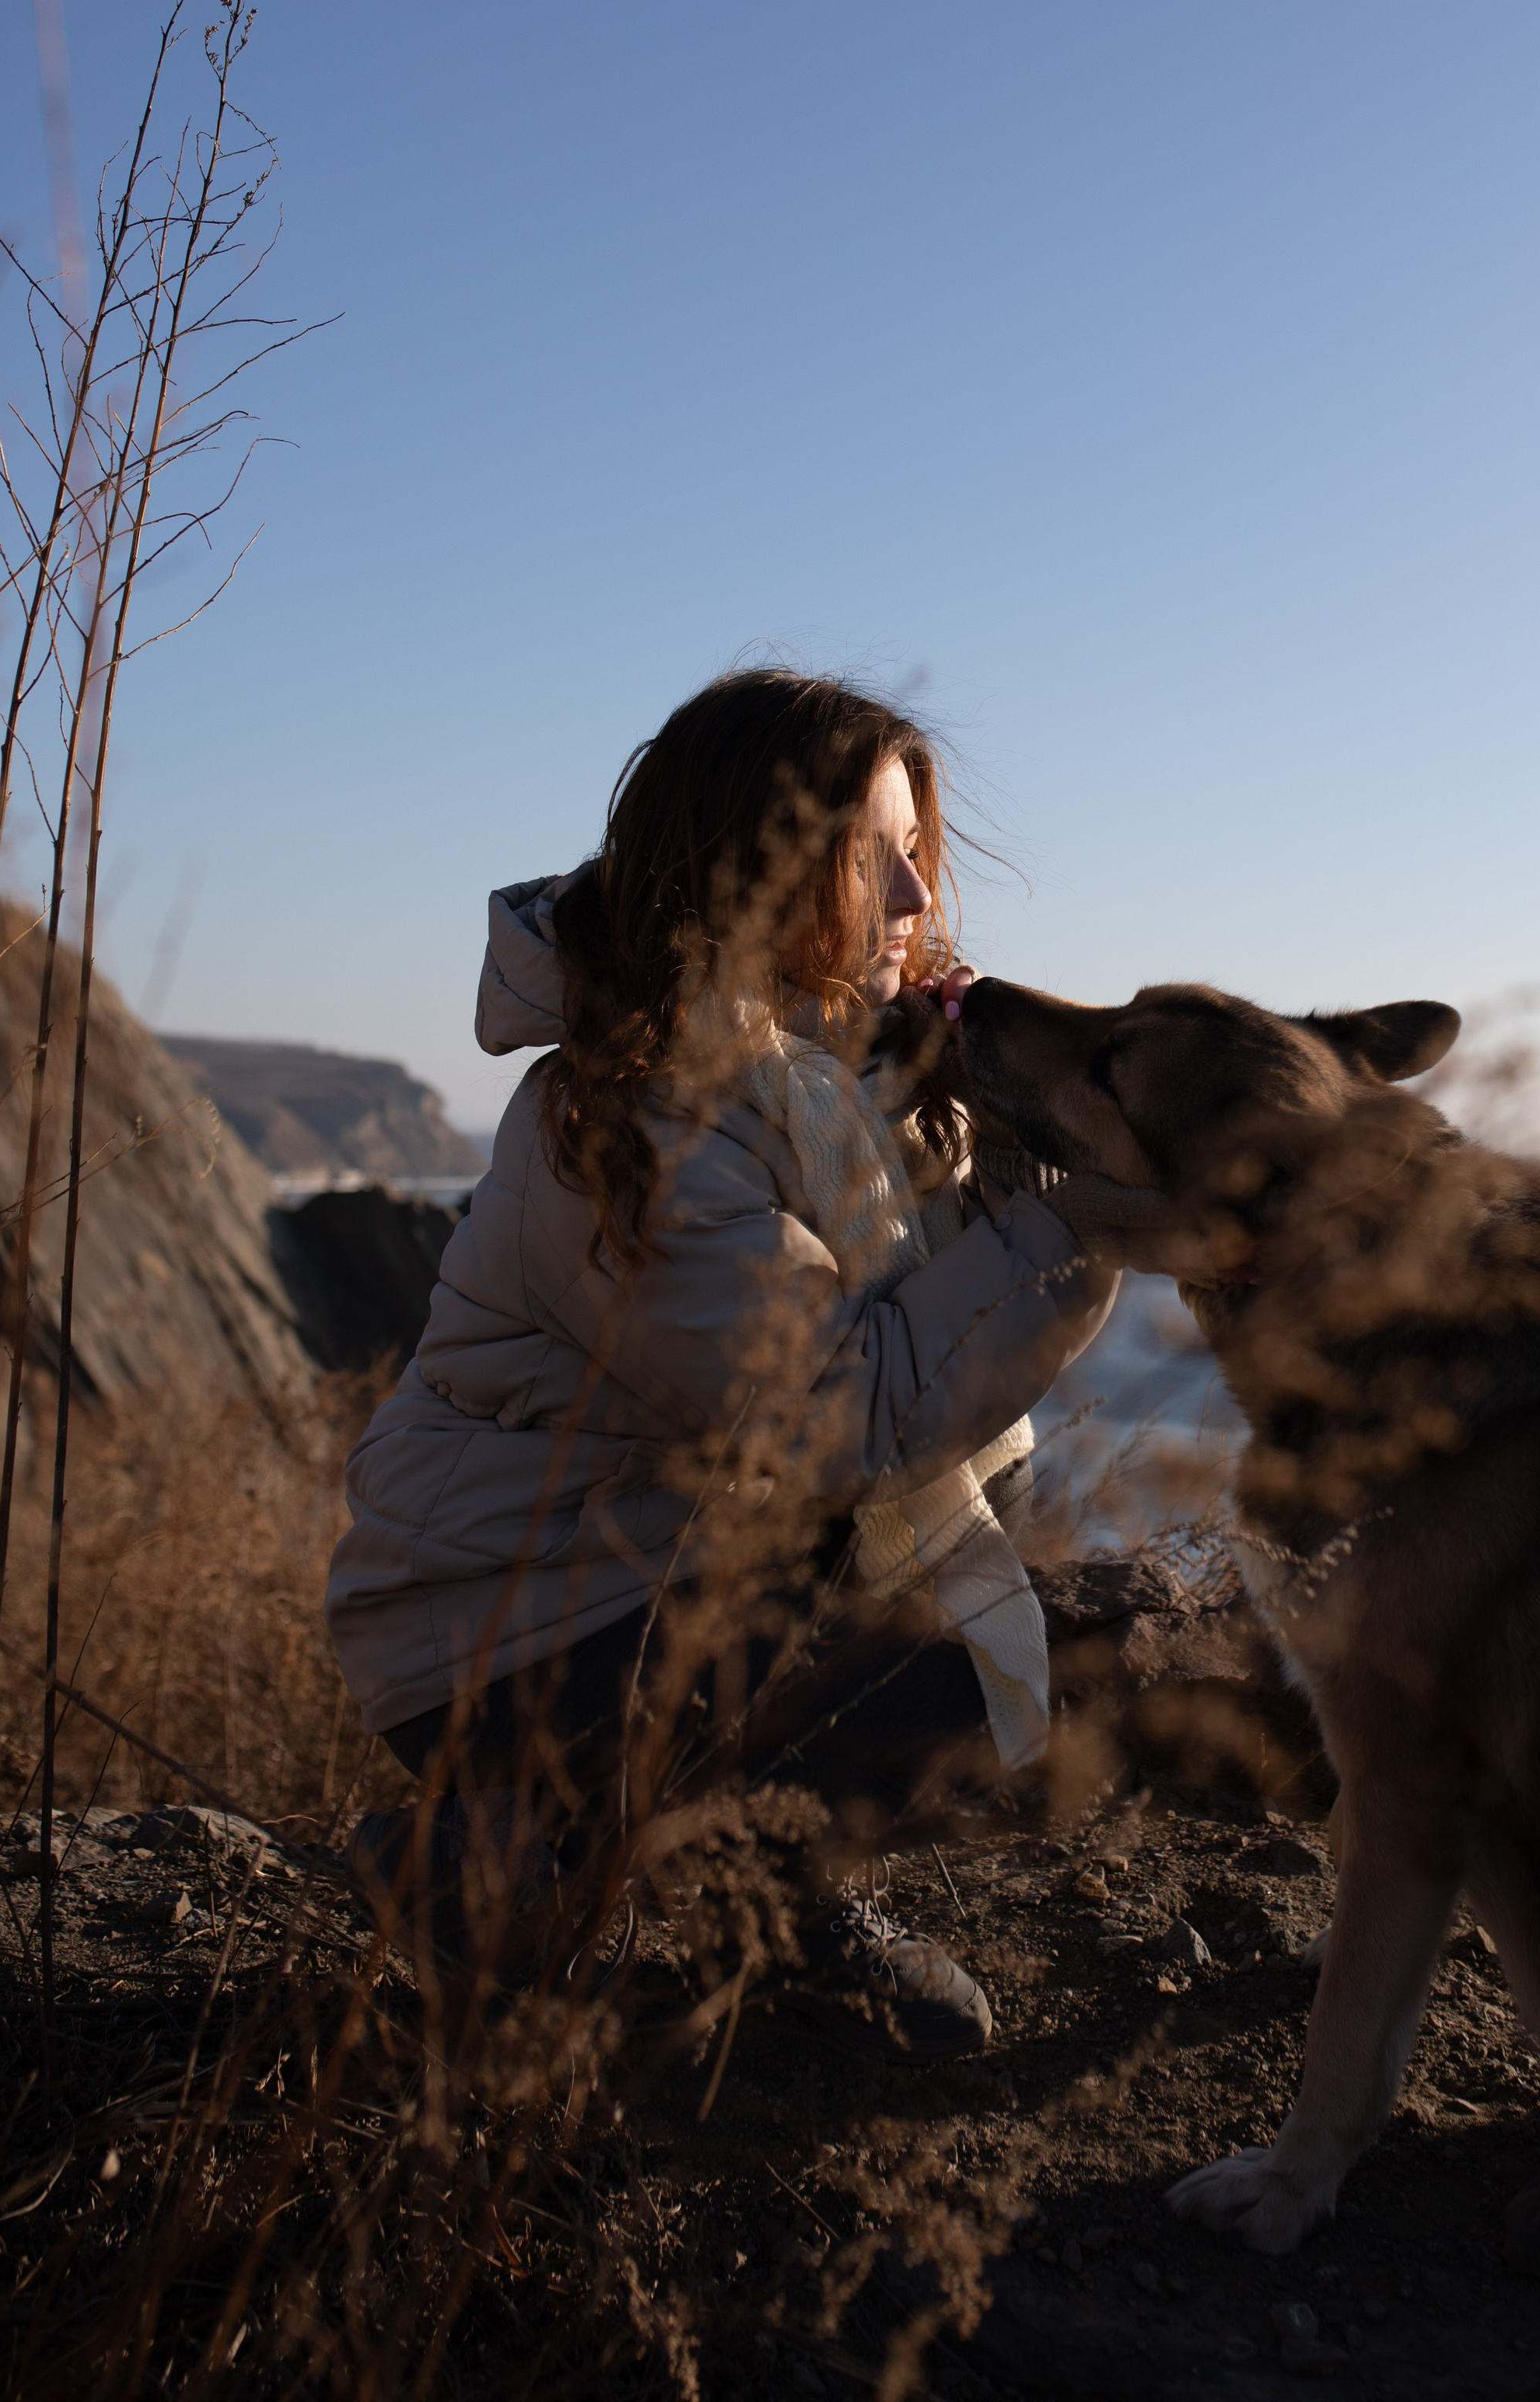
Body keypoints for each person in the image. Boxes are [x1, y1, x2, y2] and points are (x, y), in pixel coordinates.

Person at [324, 667, 1185, 2054]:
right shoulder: (637, 1118)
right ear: (753, 871)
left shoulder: (840, 1086)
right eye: (871, 862)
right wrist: (1073, 1227)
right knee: (1029, 1654)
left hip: (640, 1583)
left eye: (919, 858)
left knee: (978, 1553)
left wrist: (1013, 1114)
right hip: (504, 1642)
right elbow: (846, 1417)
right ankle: (493, 1861)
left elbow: (933, 1388)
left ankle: (755, 1901)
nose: (915, 903)